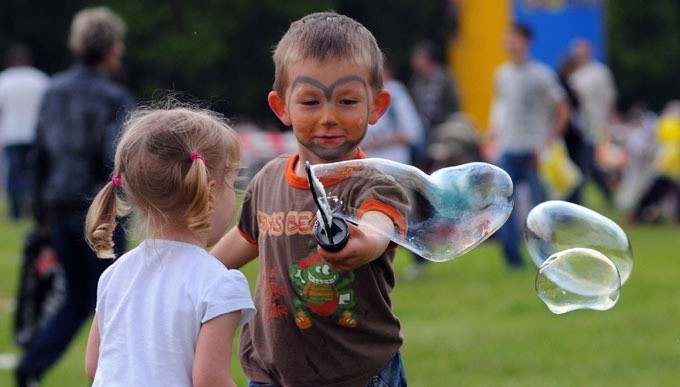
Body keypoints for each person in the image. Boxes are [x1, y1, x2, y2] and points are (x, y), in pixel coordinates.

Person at [211, 11, 410, 387]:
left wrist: (363, 242)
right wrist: (195, 270)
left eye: (348, 101)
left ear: (377, 107)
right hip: (270, 372)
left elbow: (377, 227)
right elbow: (246, 237)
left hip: (358, 375)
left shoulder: (375, 185)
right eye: (311, 102)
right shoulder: (268, 179)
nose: (329, 117)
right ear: (281, 106)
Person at [83, 103, 256, 386]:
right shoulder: (219, 283)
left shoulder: (116, 273)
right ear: (210, 191)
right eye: (232, 183)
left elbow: (95, 365)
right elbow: (209, 380)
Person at [16, 7, 134, 386]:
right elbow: (114, 159)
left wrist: (41, 214)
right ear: (112, 48)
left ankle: (32, 366)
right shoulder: (113, 96)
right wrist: (124, 209)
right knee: (114, 300)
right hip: (98, 212)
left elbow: (40, 154)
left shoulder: (53, 91)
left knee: (80, 298)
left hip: (57, 210)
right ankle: (117, 377)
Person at [486, 23, 569, 269]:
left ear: (526, 41)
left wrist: (548, 141)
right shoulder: (501, 74)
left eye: (514, 38)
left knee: (541, 209)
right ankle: (513, 259)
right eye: (507, 38)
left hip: (534, 150)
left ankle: (547, 257)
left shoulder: (542, 74)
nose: (509, 43)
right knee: (504, 208)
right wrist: (493, 135)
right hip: (509, 148)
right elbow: (500, 108)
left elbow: (563, 109)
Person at [407, 41, 461, 278]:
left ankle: (443, 233)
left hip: (442, 137)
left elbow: (454, 107)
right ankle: (429, 238)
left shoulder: (445, 79)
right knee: (422, 193)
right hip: (423, 142)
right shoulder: (417, 82)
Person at [0, 44, 49, 220]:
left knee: (13, 174)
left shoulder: (4, 80)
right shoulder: (40, 80)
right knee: (33, 174)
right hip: (34, 135)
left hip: (12, 134)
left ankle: (15, 211)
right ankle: (33, 208)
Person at [568, 38, 617, 205]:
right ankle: (589, 195)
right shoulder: (574, 74)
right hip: (579, 128)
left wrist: (609, 122)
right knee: (584, 163)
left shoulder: (600, 72)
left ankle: (606, 189)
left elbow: (609, 98)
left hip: (595, 125)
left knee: (589, 162)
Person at [363, 57, 425, 165]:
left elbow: (412, 133)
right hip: (371, 165)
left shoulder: (396, 93)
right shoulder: (365, 95)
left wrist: (379, 142)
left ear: (386, 72)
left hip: (395, 165)